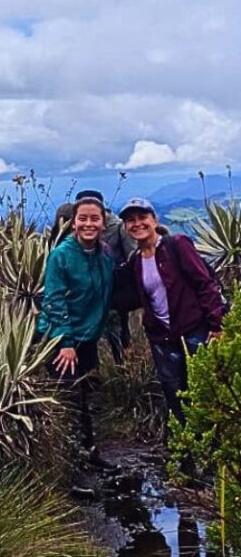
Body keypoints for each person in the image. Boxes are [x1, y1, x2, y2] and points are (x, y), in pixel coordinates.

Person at [116, 198, 225, 425]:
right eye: (130, 220)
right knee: (175, 395)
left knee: (207, 391)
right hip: (162, 338)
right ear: (125, 227)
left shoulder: (177, 245)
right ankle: (186, 448)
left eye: (142, 217)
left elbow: (205, 284)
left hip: (194, 330)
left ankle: (214, 447)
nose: (137, 224)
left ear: (154, 220)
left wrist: (216, 325)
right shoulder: (135, 261)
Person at [38, 193, 116, 468]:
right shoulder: (61, 255)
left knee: (83, 398)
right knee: (70, 401)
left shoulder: (104, 256)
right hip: (62, 340)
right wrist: (66, 342)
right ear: (73, 223)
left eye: (94, 219)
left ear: (104, 223)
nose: (88, 224)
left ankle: (89, 455)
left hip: (86, 339)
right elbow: (54, 300)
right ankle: (70, 467)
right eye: (82, 218)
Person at [76, 189, 138, 363]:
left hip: (114, 293)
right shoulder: (76, 228)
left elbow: (133, 256)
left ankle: (124, 372)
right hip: (86, 295)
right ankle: (94, 375)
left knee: (118, 335)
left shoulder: (118, 227)